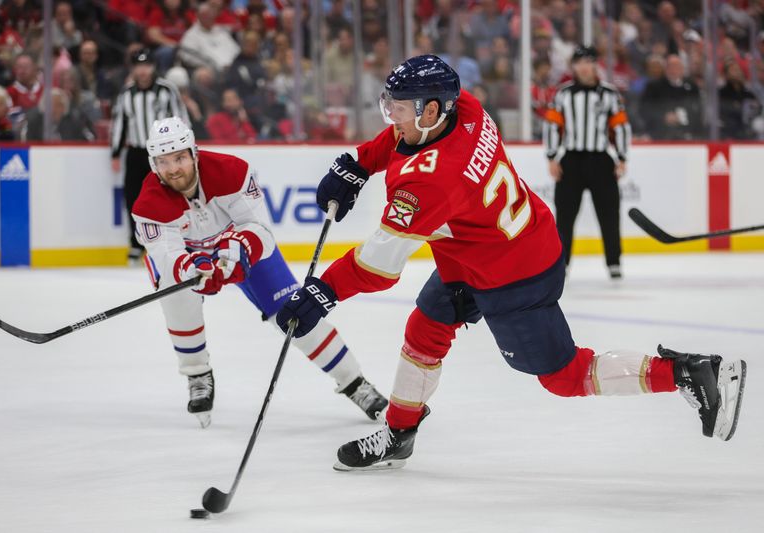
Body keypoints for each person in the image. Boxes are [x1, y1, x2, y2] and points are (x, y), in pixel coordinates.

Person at [274, 55, 747, 472]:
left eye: (397, 108)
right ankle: (400, 433)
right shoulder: (467, 109)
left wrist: (322, 291)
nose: (390, 117)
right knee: (425, 327)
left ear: (431, 109)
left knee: (564, 377)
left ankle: (691, 373)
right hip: (485, 251)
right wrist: (359, 162)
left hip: (512, 275)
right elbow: (402, 140)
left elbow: (379, 264)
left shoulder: (430, 183)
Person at [131, 117, 387, 428]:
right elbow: (168, 256)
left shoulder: (231, 172)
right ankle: (197, 373)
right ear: (153, 164)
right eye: (163, 161)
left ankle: (355, 383)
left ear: (194, 153)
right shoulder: (147, 204)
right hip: (191, 258)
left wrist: (237, 249)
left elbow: (259, 229)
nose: (173, 169)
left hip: (241, 247)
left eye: (180, 157)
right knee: (178, 301)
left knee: (295, 312)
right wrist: (193, 271)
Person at [543, 45, 631, 279]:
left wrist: (621, 157)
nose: (583, 67)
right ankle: (562, 264)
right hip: (571, 160)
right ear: (573, 67)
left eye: (588, 62)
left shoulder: (610, 94)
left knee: (609, 213)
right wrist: (552, 157)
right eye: (579, 62)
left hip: (601, 161)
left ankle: (614, 262)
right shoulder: (563, 94)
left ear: (595, 65)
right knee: (565, 216)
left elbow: (620, 127)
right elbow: (552, 126)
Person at [110, 48, 189, 263]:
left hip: (164, 154)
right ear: (133, 69)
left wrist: (184, 148)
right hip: (136, 153)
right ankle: (136, 244)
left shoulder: (166, 90)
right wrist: (115, 152)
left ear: (153, 67)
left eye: (147, 65)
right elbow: (120, 124)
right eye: (139, 66)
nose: (143, 70)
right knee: (134, 199)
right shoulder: (126, 94)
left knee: (172, 195)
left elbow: (180, 116)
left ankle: (179, 239)